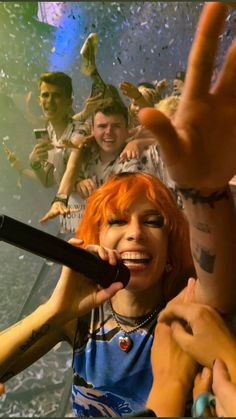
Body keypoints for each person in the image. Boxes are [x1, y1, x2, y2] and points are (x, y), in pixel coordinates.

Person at [0, 1, 236, 416]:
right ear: (94, 239)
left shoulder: (183, 316)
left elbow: (216, 284)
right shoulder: (82, 316)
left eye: (154, 221)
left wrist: (204, 194)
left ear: (171, 246)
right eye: (116, 220)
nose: (134, 232)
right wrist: (54, 311)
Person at [40, 101, 165, 224]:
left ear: (128, 130)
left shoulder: (137, 158)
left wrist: (138, 143)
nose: (109, 132)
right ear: (92, 130)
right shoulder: (84, 151)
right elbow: (66, 171)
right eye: (102, 126)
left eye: (116, 126)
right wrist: (75, 183)